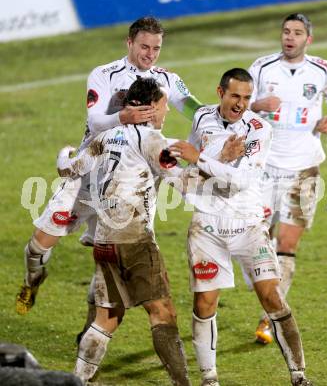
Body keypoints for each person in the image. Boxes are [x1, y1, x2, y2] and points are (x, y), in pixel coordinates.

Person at [15, 16, 201, 316]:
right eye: (144, 46)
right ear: (129, 43)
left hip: (130, 185)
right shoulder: (105, 74)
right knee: (39, 244)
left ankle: (91, 330)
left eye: (156, 48)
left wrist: (227, 120)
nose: (150, 54)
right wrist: (122, 117)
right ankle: (32, 280)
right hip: (88, 174)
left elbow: (197, 110)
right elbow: (95, 121)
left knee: (110, 262)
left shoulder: (169, 80)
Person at [169, 68, 312, 386]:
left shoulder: (258, 129)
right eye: (235, 96)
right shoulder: (202, 117)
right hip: (206, 225)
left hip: (248, 224)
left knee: (272, 297)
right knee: (204, 303)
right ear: (220, 92)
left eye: (247, 98)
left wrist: (201, 159)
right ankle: (209, 379)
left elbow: (239, 180)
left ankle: (299, 376)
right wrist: (207, 159)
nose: (241, 104)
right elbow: (194, 167)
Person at [57, 78, 195, 386]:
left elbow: (69, 169)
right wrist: (204, 163)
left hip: (104, 240)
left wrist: (64, 152)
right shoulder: (152, 139)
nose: (166, 112)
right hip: (135, 241)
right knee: (163, 313)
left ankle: (78, 379)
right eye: (163, 105)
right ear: (148, 108)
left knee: (107, 316)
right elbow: (186, 186)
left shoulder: (105, 137)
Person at [246, 13, 327, 344]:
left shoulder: (322, 70)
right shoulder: (261, 68)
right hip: (263, 168)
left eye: (297, 33)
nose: (289, 37)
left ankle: (268, 319)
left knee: (287, 246)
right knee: (258, 243)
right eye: (286, 32)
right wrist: (257, 103)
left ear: (308, 40)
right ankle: (265, 288)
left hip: (303, 168)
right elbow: (235, 104)